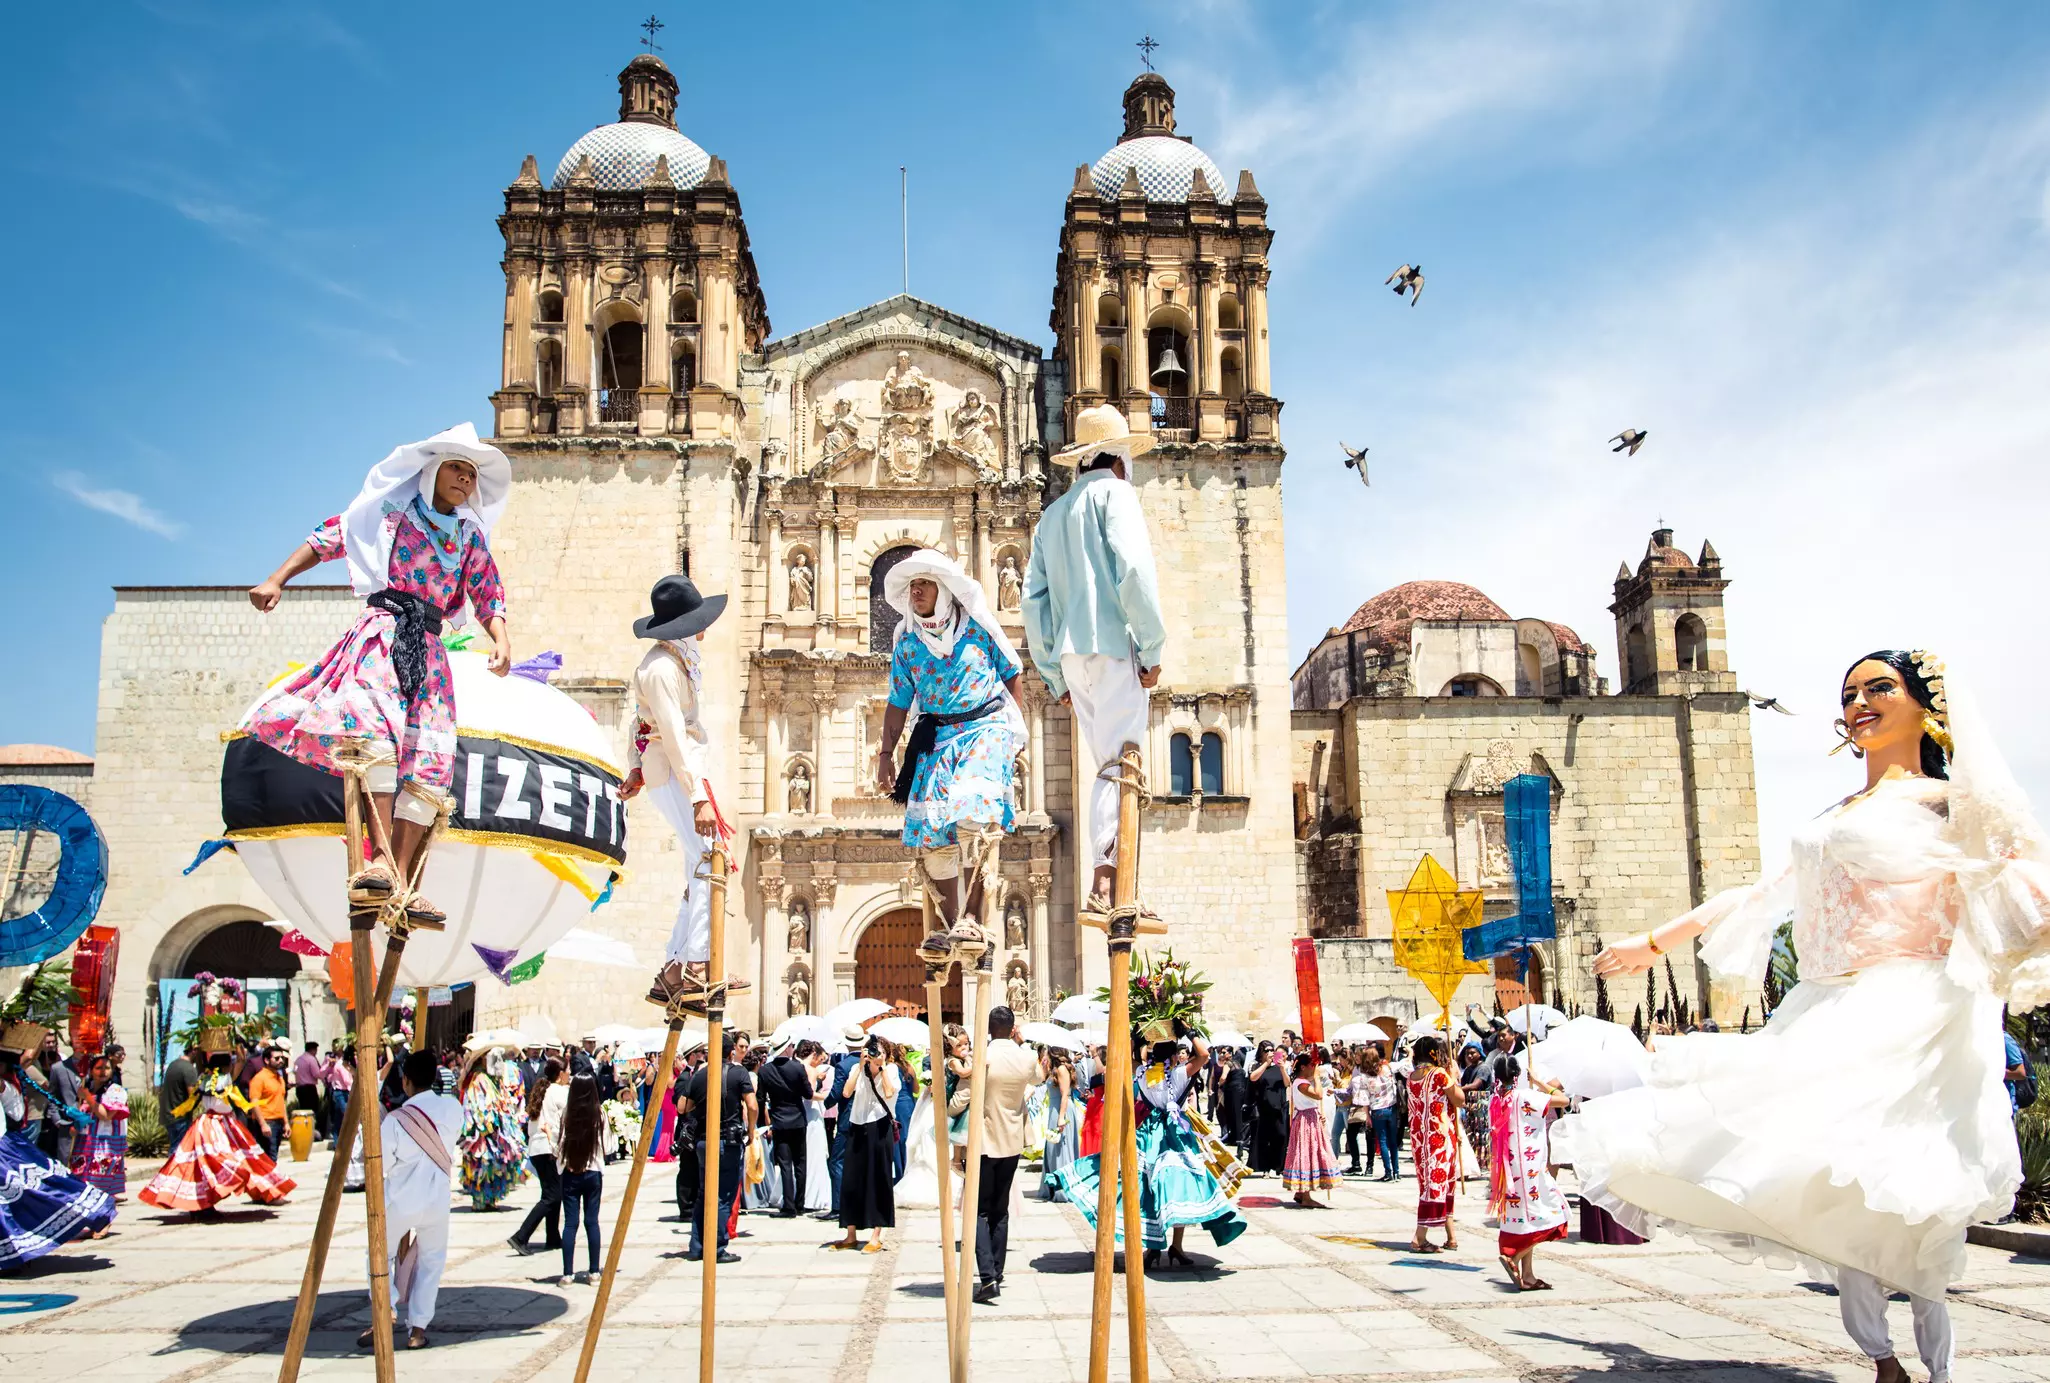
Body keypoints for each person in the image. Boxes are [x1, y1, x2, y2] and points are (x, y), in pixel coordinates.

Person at [1562, 650, 2050, 1383]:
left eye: (1880, 688)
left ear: (1927, 704)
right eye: (1850, 692)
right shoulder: (1835, 815)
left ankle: (1937, 1365)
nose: (1860, 702)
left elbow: (2025, 874)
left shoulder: (1947, 803)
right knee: (1833, 1177)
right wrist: (1656, 940)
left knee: (1907, 1184)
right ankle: (1884, 1361)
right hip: (1828, 1005)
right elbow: (1761, 893)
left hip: (1911, 1006)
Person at [243, 424, 514, 924]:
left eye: (473, 474)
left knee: (428, 758)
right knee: (378, 742)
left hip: (431, 650)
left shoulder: (470, 536)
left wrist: (499, 637)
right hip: (384, 634)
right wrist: (276, 578)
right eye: (458, 468)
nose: (465, 480)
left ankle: (404, 881)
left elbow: (486, 589)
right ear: (434, 470)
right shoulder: (388, 516)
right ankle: (381, 863)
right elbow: (331, 537)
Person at [1021, 404, 1166, 915]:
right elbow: (1135, 574)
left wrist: (1051, 672)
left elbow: (1032, 603)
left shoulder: (1052, 517)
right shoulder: (1117, 495)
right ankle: (1113, 882)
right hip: (1113, 646)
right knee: (1123, 760)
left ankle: (1114, 879)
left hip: (1071, 657)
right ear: (1119, 457)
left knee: (1105, 760)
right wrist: (1151, 648)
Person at [872, 549, 1027, 959]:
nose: (915, 591)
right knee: (935, 834)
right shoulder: (907, 645)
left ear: (944, 590)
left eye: (923, 584)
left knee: (972, 816)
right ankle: (949, 923)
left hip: (985, 726)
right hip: (937, 736)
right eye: (911, 587)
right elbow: (898, 701)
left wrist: (1015, 733)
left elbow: (1012, 672)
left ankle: (974, 919)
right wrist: (886, 754)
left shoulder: (977, 628)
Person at [621, 575, 749, 1011]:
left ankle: (675, 970)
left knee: (702, 865)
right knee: (707, 862)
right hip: (680, 773)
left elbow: (639, 722)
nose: (704, 629)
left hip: (680, 770)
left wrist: (636, 769)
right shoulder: (660, 668)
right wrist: (697, 797)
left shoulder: (670, 664)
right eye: (697, 621)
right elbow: (669, 733)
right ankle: (697, 964)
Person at [1052, 1036, 1247, 1269]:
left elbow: (1129, 1059)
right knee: (1178, 1187)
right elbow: (1204, 1055)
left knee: (1147, 1186)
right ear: (1174, 1056)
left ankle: (1154, 1247)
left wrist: (1136, 1037)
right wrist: (1189, 1030)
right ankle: (1175, 1245)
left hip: (1148, 1131)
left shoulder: (1143, 1073)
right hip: (1174, 1134)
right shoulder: (1177, 1074)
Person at [351, 1049, 461, 1350]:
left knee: (378, 1257)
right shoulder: (453, 1108)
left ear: (406, 1080)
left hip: (400, 1201)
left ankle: (384, 1313)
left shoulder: (396, 1121)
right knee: (431, 1263)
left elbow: (380, 1165)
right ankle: (418, 1329)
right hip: (438, 1200)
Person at [0, 1048, 116, 1268]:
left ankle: (15, 1255)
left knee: (34, 1192)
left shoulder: (7, 1087)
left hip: (5, 1152)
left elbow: (15, 1114)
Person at [141, 1051, 297, 1213]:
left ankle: (205, 1204)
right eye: (230, 1063)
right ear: (225, 1066)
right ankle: (207, 1204)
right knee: (221, 1161)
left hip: (208, 1124)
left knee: (204, 1164)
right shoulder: (223, 1079)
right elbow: (240, 1065)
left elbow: (195, 1100)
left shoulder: (204, 1079)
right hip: (218, 1125)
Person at [973, 1007, 1046, 1304]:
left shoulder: (983, 1054)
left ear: (989, 1028)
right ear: (1012, 1028)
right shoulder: (1025, 1056)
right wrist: (1024, 1042)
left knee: (979, 1210)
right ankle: (998, 1272)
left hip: (984, 1139)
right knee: (1000, 1208)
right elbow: (1039, 1078)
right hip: (1013, 1139)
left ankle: (988, 1276)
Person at [1489, 1056, 1571, 1291]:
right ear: (1517, 1076)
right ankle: (1513, 1257)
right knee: (1556, 1215)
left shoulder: (1496, 1099)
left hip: (1509, 1173)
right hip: (1530, 1170)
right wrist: (1540, 1082)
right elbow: (1562, 1100)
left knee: (1527, 1222)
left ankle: (1528, 1275)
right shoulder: (1525, 1096)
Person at [679, 1033, 754, 1263]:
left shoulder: (701, 1075)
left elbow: (683, 1107)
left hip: (703, 1140)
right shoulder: (738, 1072)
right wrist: (750, 1130)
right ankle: (717, 1247)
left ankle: (697, 1244)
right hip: (727, 1140)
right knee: (724, 1195)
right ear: (731, 1051)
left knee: (704, 1193)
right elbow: (752, 1104)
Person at [832, 1036, 899, 1254]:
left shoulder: (891, 1071)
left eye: (878, 1052)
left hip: (880, 1127)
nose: (873, 1055)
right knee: (851, 1180)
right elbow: (846, 1092)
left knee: (879, 1178)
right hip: (857, 1124)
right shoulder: (858, 1070)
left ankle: (876, 1234)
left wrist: (882, 1068)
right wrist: (861, 1067)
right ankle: (850, 1234)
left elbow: (889, 1092)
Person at [1406, 1036, 1464, 1252]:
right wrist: (1454, 1077)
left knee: (1439, 1183)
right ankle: (1419, 1237)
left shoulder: (1411, 1076)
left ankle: (1451, 1236)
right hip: (1439, 1137)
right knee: (1437, 1184)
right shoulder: (1439, 1074)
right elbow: (1459, 1099)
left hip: (1420, 1139)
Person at [508, 1057, 567, 1256]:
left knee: (552, 1191)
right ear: (560, 1075)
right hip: (548, 1147)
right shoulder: (559, 1091)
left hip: (537, 1147)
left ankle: (552, 1236)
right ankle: (521, 1236)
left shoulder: (541, 1089)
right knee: (552, 1196)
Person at [457, 1048, 528, 1210]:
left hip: (496, 1131)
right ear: (482, 1058)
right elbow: (475, 1104)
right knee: (481, 1164)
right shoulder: (478, 1079)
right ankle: (479, 1200)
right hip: (483, 1132)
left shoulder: (494, 1079)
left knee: (494, 1165)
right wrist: (487, 1121)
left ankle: (491, 1198)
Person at [553, 1072, 606, 1284]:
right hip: (593, 1172)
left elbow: (559, 1145)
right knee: (592, 1222)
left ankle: (567, 1273)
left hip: (571, 1171)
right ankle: (594, 1272)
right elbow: (608, 1146)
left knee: (570, 1223)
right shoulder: (599, 1114)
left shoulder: (567, 1113)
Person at [757, 1039, 815, 1217]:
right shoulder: (797, 1068)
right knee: (800, 1163)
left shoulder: (765, 1070)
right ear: (787, 1048)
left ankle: (788, 1205)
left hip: (780, 1120)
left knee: (785, 1165)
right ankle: (800, 1203)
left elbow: (760, 1097)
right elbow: (808, 1093)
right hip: (797, 1119)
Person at [1282, 1053, 1339, 1208]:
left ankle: (1301, 1192)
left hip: (1309, 1118)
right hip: (1306, 1121)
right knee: (1306, 1153)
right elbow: (1319, 1095)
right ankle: (1306, 1194)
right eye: (1311, 1066)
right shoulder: (1300, 1083)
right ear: (1303, 1067)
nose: (1314, 1068)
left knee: (1311, 1151)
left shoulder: (1301, 1081)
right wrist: (1317, 1077)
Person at [72, 1053, 129, 1206]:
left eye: (107, 1068)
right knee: (83, 1183)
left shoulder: (116, 1091)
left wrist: (88, 1098)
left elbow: (106, 1115)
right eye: (98, 1068)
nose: (103, 1071)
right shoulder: (86, 1088)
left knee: (101, 1184)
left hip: (106, 1143)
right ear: (91, 1070)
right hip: (85, 1142)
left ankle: (104, 1222)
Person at [1038, 1047, 1080, 1202]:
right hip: (1054, 1109)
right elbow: (1041, 1081)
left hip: (1062, 1109)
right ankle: (1051, 1185)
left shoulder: (1062, 1069)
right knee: (1052, 1148)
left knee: (1060, 1148)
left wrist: (1061, 1117)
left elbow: (1064, 1095)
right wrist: (1043, 1067)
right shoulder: (1053, 1069)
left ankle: (1062, 1188)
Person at [1245, 1042, 1289, 1175]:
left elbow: (1287, 1083)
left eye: (1272, 1050)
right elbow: (1253, 1078)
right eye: (1267, 1050)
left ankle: (1278, 1167)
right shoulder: (1257, 1065)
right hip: (1264, 1108)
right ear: (1262, 1052)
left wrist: (1282, 1068)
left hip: (1279, 1107)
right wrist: (1266, 1063)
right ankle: (1265, 1168)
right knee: (1265, 1139)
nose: (1270, 1052)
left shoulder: (1279, 1067)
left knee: (1281, 1136)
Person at [1361, 1049, 1402, 1181]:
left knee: (1383, 1141)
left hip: (1377, 1109)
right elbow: (1403, 1065)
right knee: (1393, 1141)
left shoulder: (1365, 1077)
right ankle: (1396, 1172)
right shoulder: (1387, 1068)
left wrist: (1367, 1116)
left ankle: (1388, 1172)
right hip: (1391, 1106)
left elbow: (1365, 1098)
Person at [159, 1041, 201, 1156]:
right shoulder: (189, 1069)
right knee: (178, 1151)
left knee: (175, 1147)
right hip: (180, 1117)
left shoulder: (174, 1064)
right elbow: (192, 1095)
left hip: (169, 1114)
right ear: (194, 1051)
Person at [250, 1046, 290, 1160]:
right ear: (267, 1060)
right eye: (277, 1058)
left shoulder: (279, 1078)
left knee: (273, 1157)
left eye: (282, 1058)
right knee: (269, 1158)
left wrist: (286, 1123)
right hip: (267, 1122)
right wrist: (263, 1124)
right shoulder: (259, 1078)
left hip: (278, 1122)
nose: (281, 1061)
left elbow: (282, 1102)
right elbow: (254, 1103)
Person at [294, 1041, 327, 1140]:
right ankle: (310, 1132)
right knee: (311, 1112)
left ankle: (304, 1132)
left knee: (303, 1111)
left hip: (299, 1088)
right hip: (309, 1088)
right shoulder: (311, 1060)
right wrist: (326, 1070)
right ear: (313, 1050)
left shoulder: (298, 1059)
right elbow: (317, 1074)